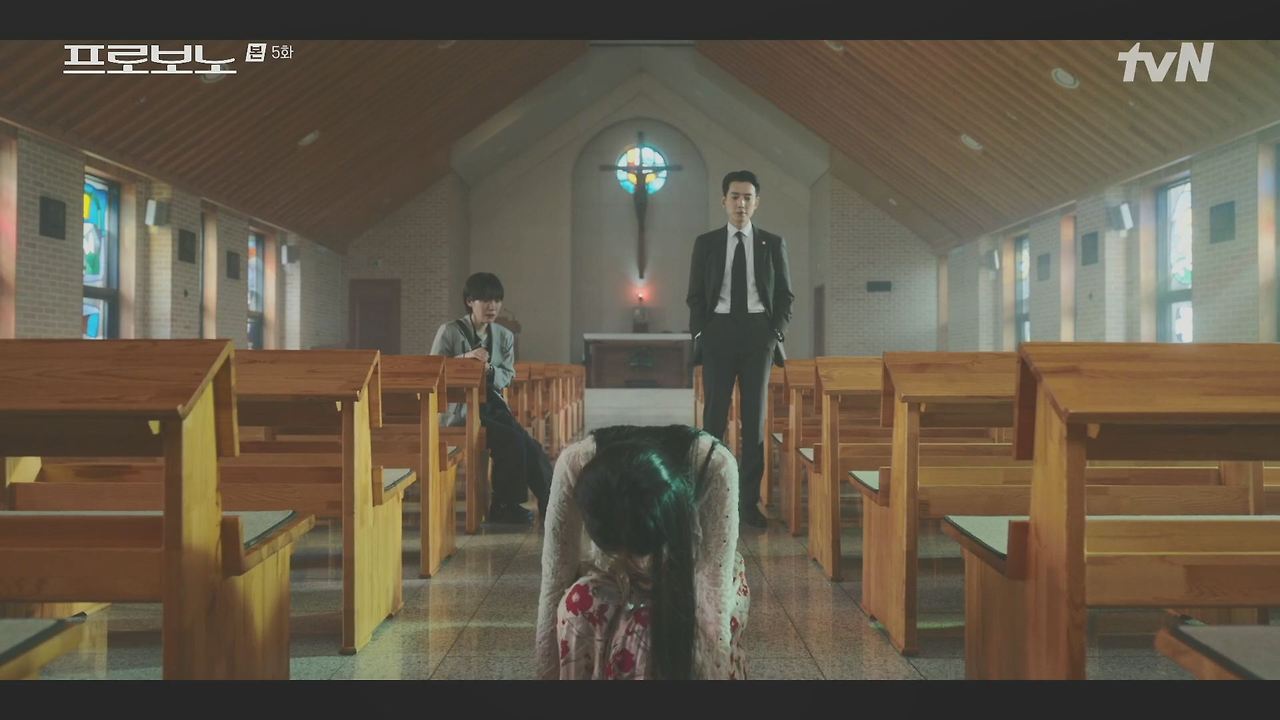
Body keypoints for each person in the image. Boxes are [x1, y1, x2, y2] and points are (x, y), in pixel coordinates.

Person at [536, 424, 748, 680]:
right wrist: (546, 673)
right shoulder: (575, 465)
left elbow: (714, 583)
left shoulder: (714, 464)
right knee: (577, 605)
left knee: (674, 628)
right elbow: (556, 575)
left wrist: (711, 668)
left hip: (691, 570)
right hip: (610, 575)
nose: (635, 562)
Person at [686, 170, 794, 529]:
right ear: (724, 201)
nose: (741, 203)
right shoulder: (707, 243)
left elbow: (785, 295)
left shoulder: (772, 243)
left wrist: (773, 334)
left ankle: (748, 504)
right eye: (735, 196)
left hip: (757, 336)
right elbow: (695, 295)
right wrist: (702, 333)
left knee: (754, 422)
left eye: (748, 197)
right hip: (717, 334)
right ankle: (709, 499)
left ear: (756, 202)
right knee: (713, 421)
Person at [430, 272, 551, 525]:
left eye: (496, 300)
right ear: (469, 301)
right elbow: (433, 371)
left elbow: (507, 376)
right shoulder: (450, 331)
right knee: (512, 440)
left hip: (492, 405)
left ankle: (550, 500)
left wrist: (490, 370)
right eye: (485, 300)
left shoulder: (504, 336)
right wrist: (465, 359)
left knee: (530, 445)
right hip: (461, 409)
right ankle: (504, 505)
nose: (492, 306)